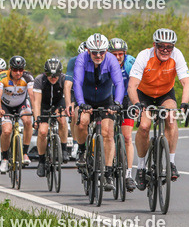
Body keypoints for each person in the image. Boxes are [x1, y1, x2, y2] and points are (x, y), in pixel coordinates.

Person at [127, 28, 189, 185]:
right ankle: (141, 167)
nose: (165, 50)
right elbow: (132, 86)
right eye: (161, 46)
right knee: (144, 126)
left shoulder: (177, 55)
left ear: (173, 47)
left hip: (165, 93)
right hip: (144, 94)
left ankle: (171, 163)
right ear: (154, 45)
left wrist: (184, 103)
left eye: (169, 47)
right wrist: (136, 104)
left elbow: (186, 83)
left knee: (171, 118)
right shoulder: (144, 56)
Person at [72, 33, 126, 191]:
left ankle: (108, 173)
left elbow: (119, 83)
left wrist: (117, 103)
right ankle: (82, 150)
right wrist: (81, 103)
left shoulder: (111, 60)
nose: (98, 55)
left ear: (106, 51)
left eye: (101, 52)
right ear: (88, 50)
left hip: (105, 100)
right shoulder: (81, 59)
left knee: (108, 133)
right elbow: (77, 82)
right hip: (86, 99)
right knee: (82, 122)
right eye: (94, 52)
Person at [0, 55, 34, 173]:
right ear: (10, 69)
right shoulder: (2, 76)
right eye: (15, 70)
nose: (18, 73)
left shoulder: (28, 77)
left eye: (21, 70)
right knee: (6, 131)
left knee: (28, 121)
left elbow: (32, 95)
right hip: (5, 106)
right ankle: (5, 158)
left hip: (21, 104)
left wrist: (35, 111)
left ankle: (25, 153)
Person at [30, 58, 70, 176]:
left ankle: (64, 148)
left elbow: (68, 97)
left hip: (58, 102)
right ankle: (41, 161)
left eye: (56, 75)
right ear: (45, 73)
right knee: (42, 132)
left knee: (62, 119)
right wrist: (37, 118)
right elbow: (36, 102)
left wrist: (67, 109)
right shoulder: (39, 80)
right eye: (50, 75)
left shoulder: (63, 79)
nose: (53, 78)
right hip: (44, 104)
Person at [109, 37, 137, 190]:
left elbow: (137, 83)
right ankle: (108, 164)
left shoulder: (130, 62)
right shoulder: (105, 62)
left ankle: (128, 175)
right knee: (108, 135)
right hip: (109, 98)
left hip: (127, 99)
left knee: (127, 137)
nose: (118, 57)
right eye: (114, 54)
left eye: (120, 54)